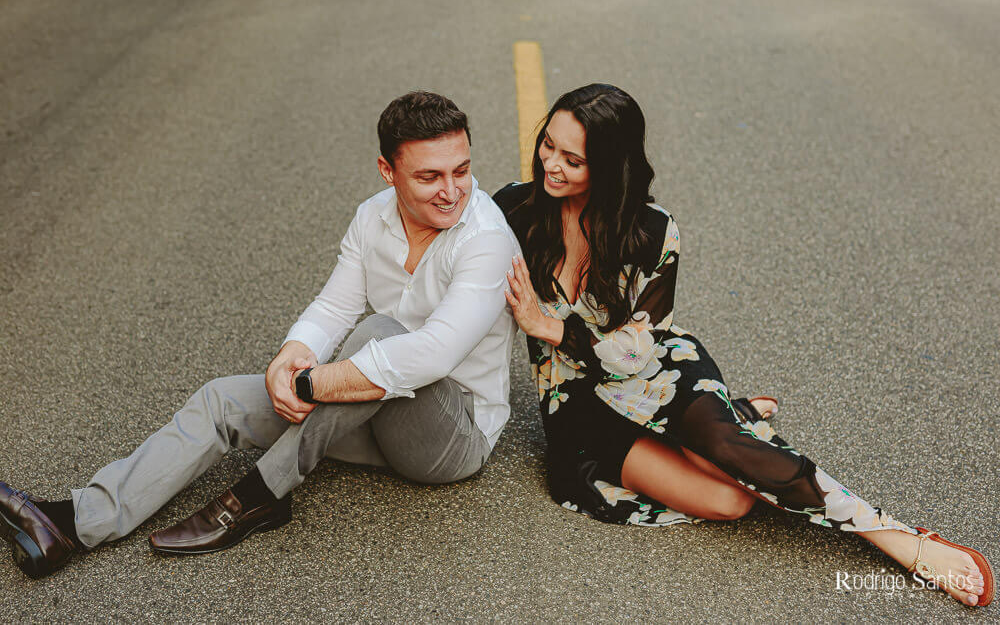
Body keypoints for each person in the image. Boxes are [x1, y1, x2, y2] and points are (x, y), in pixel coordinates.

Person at [493, 83, 993, 608]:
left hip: (658, 372)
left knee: (730, 451)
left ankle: (901, 541)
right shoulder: (516, 210)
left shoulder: (652, 230)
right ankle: (730, 421)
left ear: (611, 165)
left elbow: (637, 352)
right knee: (729, 500)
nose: (551, 163)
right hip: (581, 401)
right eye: (548, 144)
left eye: (573, 159)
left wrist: (549, 327)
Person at [1, 91, 519, 579]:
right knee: (220, 400)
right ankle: (74, 524)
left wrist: (313, 385)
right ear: (388, 172)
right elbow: (334, 306)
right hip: (374, 409)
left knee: (381, 333)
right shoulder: (370, 218)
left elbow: (434, 353)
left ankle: (261, 492)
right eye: (430, 176)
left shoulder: (486, 240)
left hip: (452, 435)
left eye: (463, 170)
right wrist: (289, 360)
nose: (452, 191)